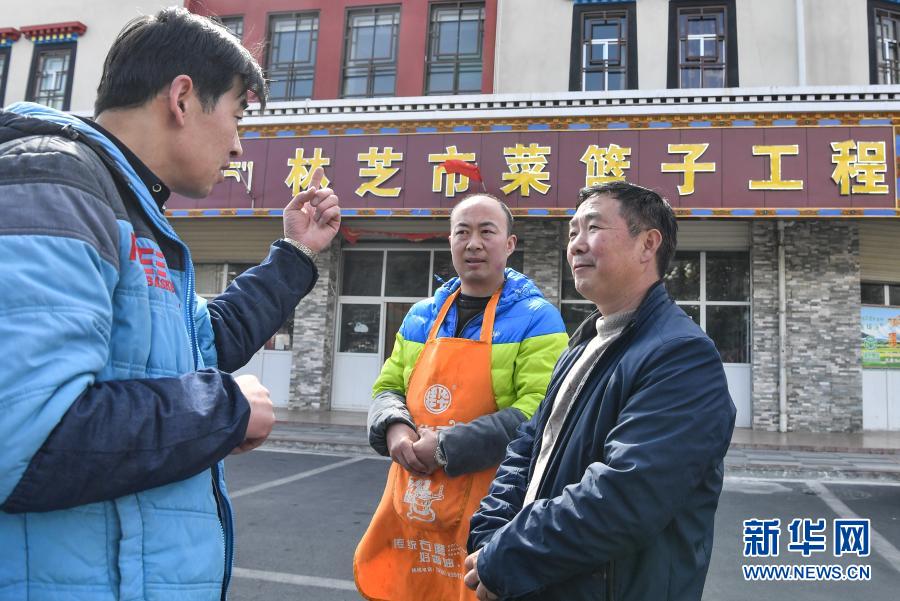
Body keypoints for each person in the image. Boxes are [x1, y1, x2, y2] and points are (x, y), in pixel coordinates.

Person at [0, 8, 339, 601]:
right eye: (236, 115)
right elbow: (25, 439)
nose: (238, 144)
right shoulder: (56, 184)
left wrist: (295, 254)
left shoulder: (129, 209)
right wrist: (225, 410)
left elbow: (203, 341)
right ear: (182, 98)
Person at [465, 182, 736, 601]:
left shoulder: (682, 356)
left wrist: (510, 555)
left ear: (648, 244)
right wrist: (490, 534)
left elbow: (626, 496)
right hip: (538, 580)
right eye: (572, 232)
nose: (575, 245)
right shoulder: (584, 343)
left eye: (592, 228)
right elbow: (529, 446)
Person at [355, 193, 568, 601]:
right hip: (413, 506)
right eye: (462, 232)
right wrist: (394, 427)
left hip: (492, 508)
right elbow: (388, 387)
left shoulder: (538, 319)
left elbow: (540, 413)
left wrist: (447, 446)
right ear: (449, 241)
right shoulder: (421, 315)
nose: (474, 244)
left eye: (487, 232)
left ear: (510, 244)